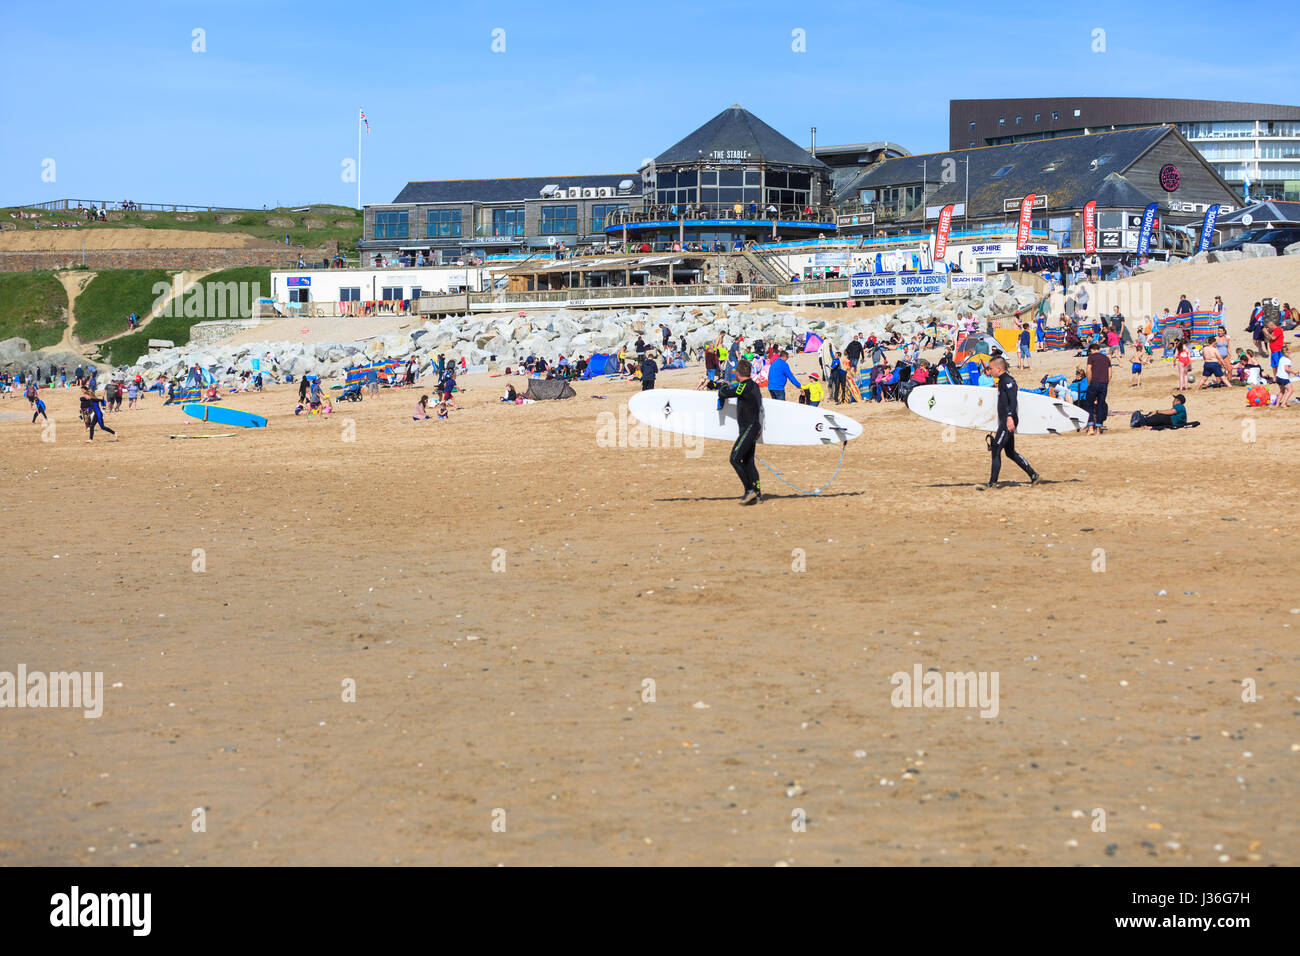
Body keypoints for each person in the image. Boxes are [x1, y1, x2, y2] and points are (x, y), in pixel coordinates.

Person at [980, 357, 1040, 490]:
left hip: (1009, 420)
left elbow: (1013, 401)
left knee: (996, 448)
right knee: (1010, 452)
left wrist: (1009, 418)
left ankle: (992, 483)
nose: (989, 371)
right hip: (1006, 420)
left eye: (991, 368)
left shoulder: (1007, 381)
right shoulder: (1002, 381)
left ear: (998, 368)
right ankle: (1033, 475)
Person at [713, 359, 763, 505]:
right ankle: (758, 494)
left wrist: (721, 387)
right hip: (753, 427)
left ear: (738, 373)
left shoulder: (745, 386)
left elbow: (725, 393)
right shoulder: (752, 385)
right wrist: (730, 385)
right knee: (748, 461)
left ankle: (750, 489)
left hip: (749, 428)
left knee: (734, 458)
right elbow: (737, 389)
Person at [1083, 343, 1110, 435]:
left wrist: (1090, 382)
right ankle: (1098, 428)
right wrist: (1106, 382)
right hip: (1104, 384)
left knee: (1089, 404)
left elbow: (1088, 370)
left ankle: (1091, 427)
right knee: (1101, 405)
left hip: (1094, 383)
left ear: (1092, 350)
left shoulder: (1091, 357)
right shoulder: (1106, 358)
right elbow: (1110, 373)